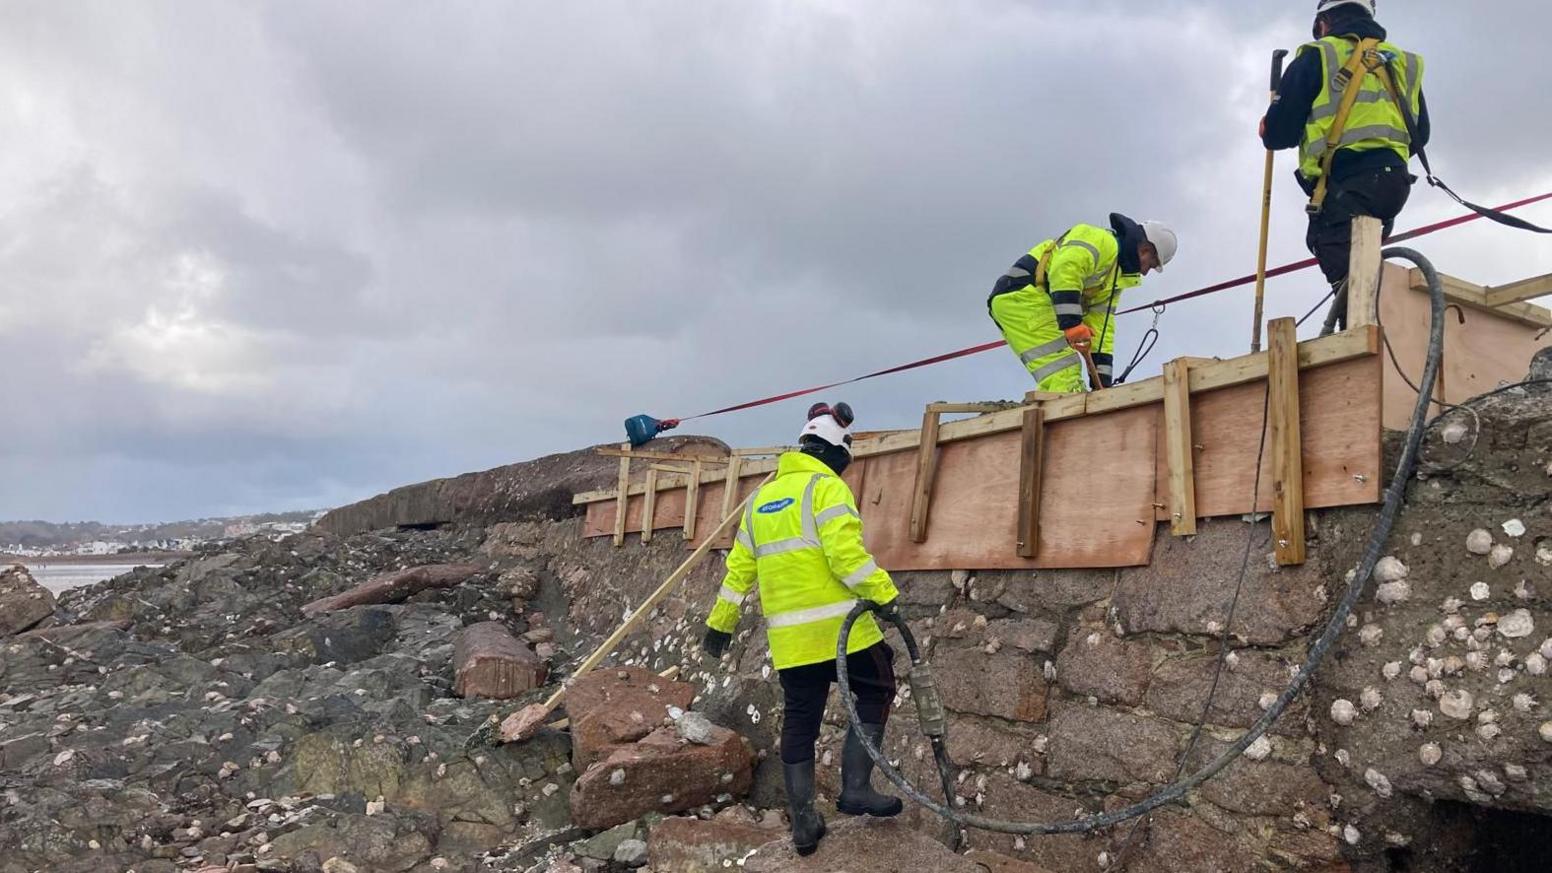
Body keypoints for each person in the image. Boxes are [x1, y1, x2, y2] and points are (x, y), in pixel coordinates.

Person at [701, 402, 902, 857]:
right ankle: (855, 788)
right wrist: (886, 595)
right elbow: (846, 558)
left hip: (791, 641)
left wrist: (720, 625)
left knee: (800, 721)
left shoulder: (760, 502)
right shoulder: (826, 489)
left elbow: (738, 572)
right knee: (878, 686)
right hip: (844, 632)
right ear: (834, 453)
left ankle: (805, 823)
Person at [1260, 0, 1427, 331]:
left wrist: (1269, 124)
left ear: (1324, 23)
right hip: (1394, 184)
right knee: (1362, 264)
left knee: (1334, 248)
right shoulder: (1402, 62)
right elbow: (1420, 135)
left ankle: (1363, 336)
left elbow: (1278, 134)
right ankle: (1374, 325)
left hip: (1348, 185)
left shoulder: (1318, 55)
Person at [988, 214, 1176, 392]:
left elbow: (1101, 327)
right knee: (1064, 372)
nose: (1145, 273)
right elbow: (1065, 272)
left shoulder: (1115, 277)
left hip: (1030, 300)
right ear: (1145, 250)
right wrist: (1071, 323)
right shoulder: (1100, 241)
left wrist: (1101, 383)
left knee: (1062, 379)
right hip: (1021, 297)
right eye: (1150, 265)